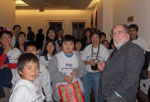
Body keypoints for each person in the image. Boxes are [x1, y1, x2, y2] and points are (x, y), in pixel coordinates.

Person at [98, 24, 144, 102]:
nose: (116, 36)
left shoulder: (134, 49)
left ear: (127, 35)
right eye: (114, 33)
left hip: (120, 97)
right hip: (108, 93)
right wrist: (104, 68)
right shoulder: (117, 50)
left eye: (119, 32)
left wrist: (117, 94)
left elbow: (131, 78)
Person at [48, 35, 86, 101]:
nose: (68, 46)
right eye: (65, 44)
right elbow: (51, 74)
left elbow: (83, 70)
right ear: (61, 45)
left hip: (75, 91)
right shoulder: (56, 57)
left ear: (74, 45)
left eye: (70, 44)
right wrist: (64, 78)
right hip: (60, 91)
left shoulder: (77, 57)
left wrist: (77, 72)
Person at [81, 30, 109, 102]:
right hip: (87, 73)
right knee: (85, 93)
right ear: (90, 39)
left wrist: (101, 63)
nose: (95, 39)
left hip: (98, 73)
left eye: (97, 37)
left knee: (98, 93)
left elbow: (108, 62)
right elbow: (82, 61)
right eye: (93, 37)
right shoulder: (87, 48)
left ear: (100, 39)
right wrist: (89, 62)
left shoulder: (104, 49)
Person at [129, 24, 150, 101]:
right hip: (128, 67)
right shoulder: (126, 41)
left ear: (137, 32)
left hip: (138, 68)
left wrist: (147, 68)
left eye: (133, 31)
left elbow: (147, 54)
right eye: (130, 31)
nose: (131, 32)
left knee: (136, 85)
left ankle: (135, 99)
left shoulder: (142, 40)